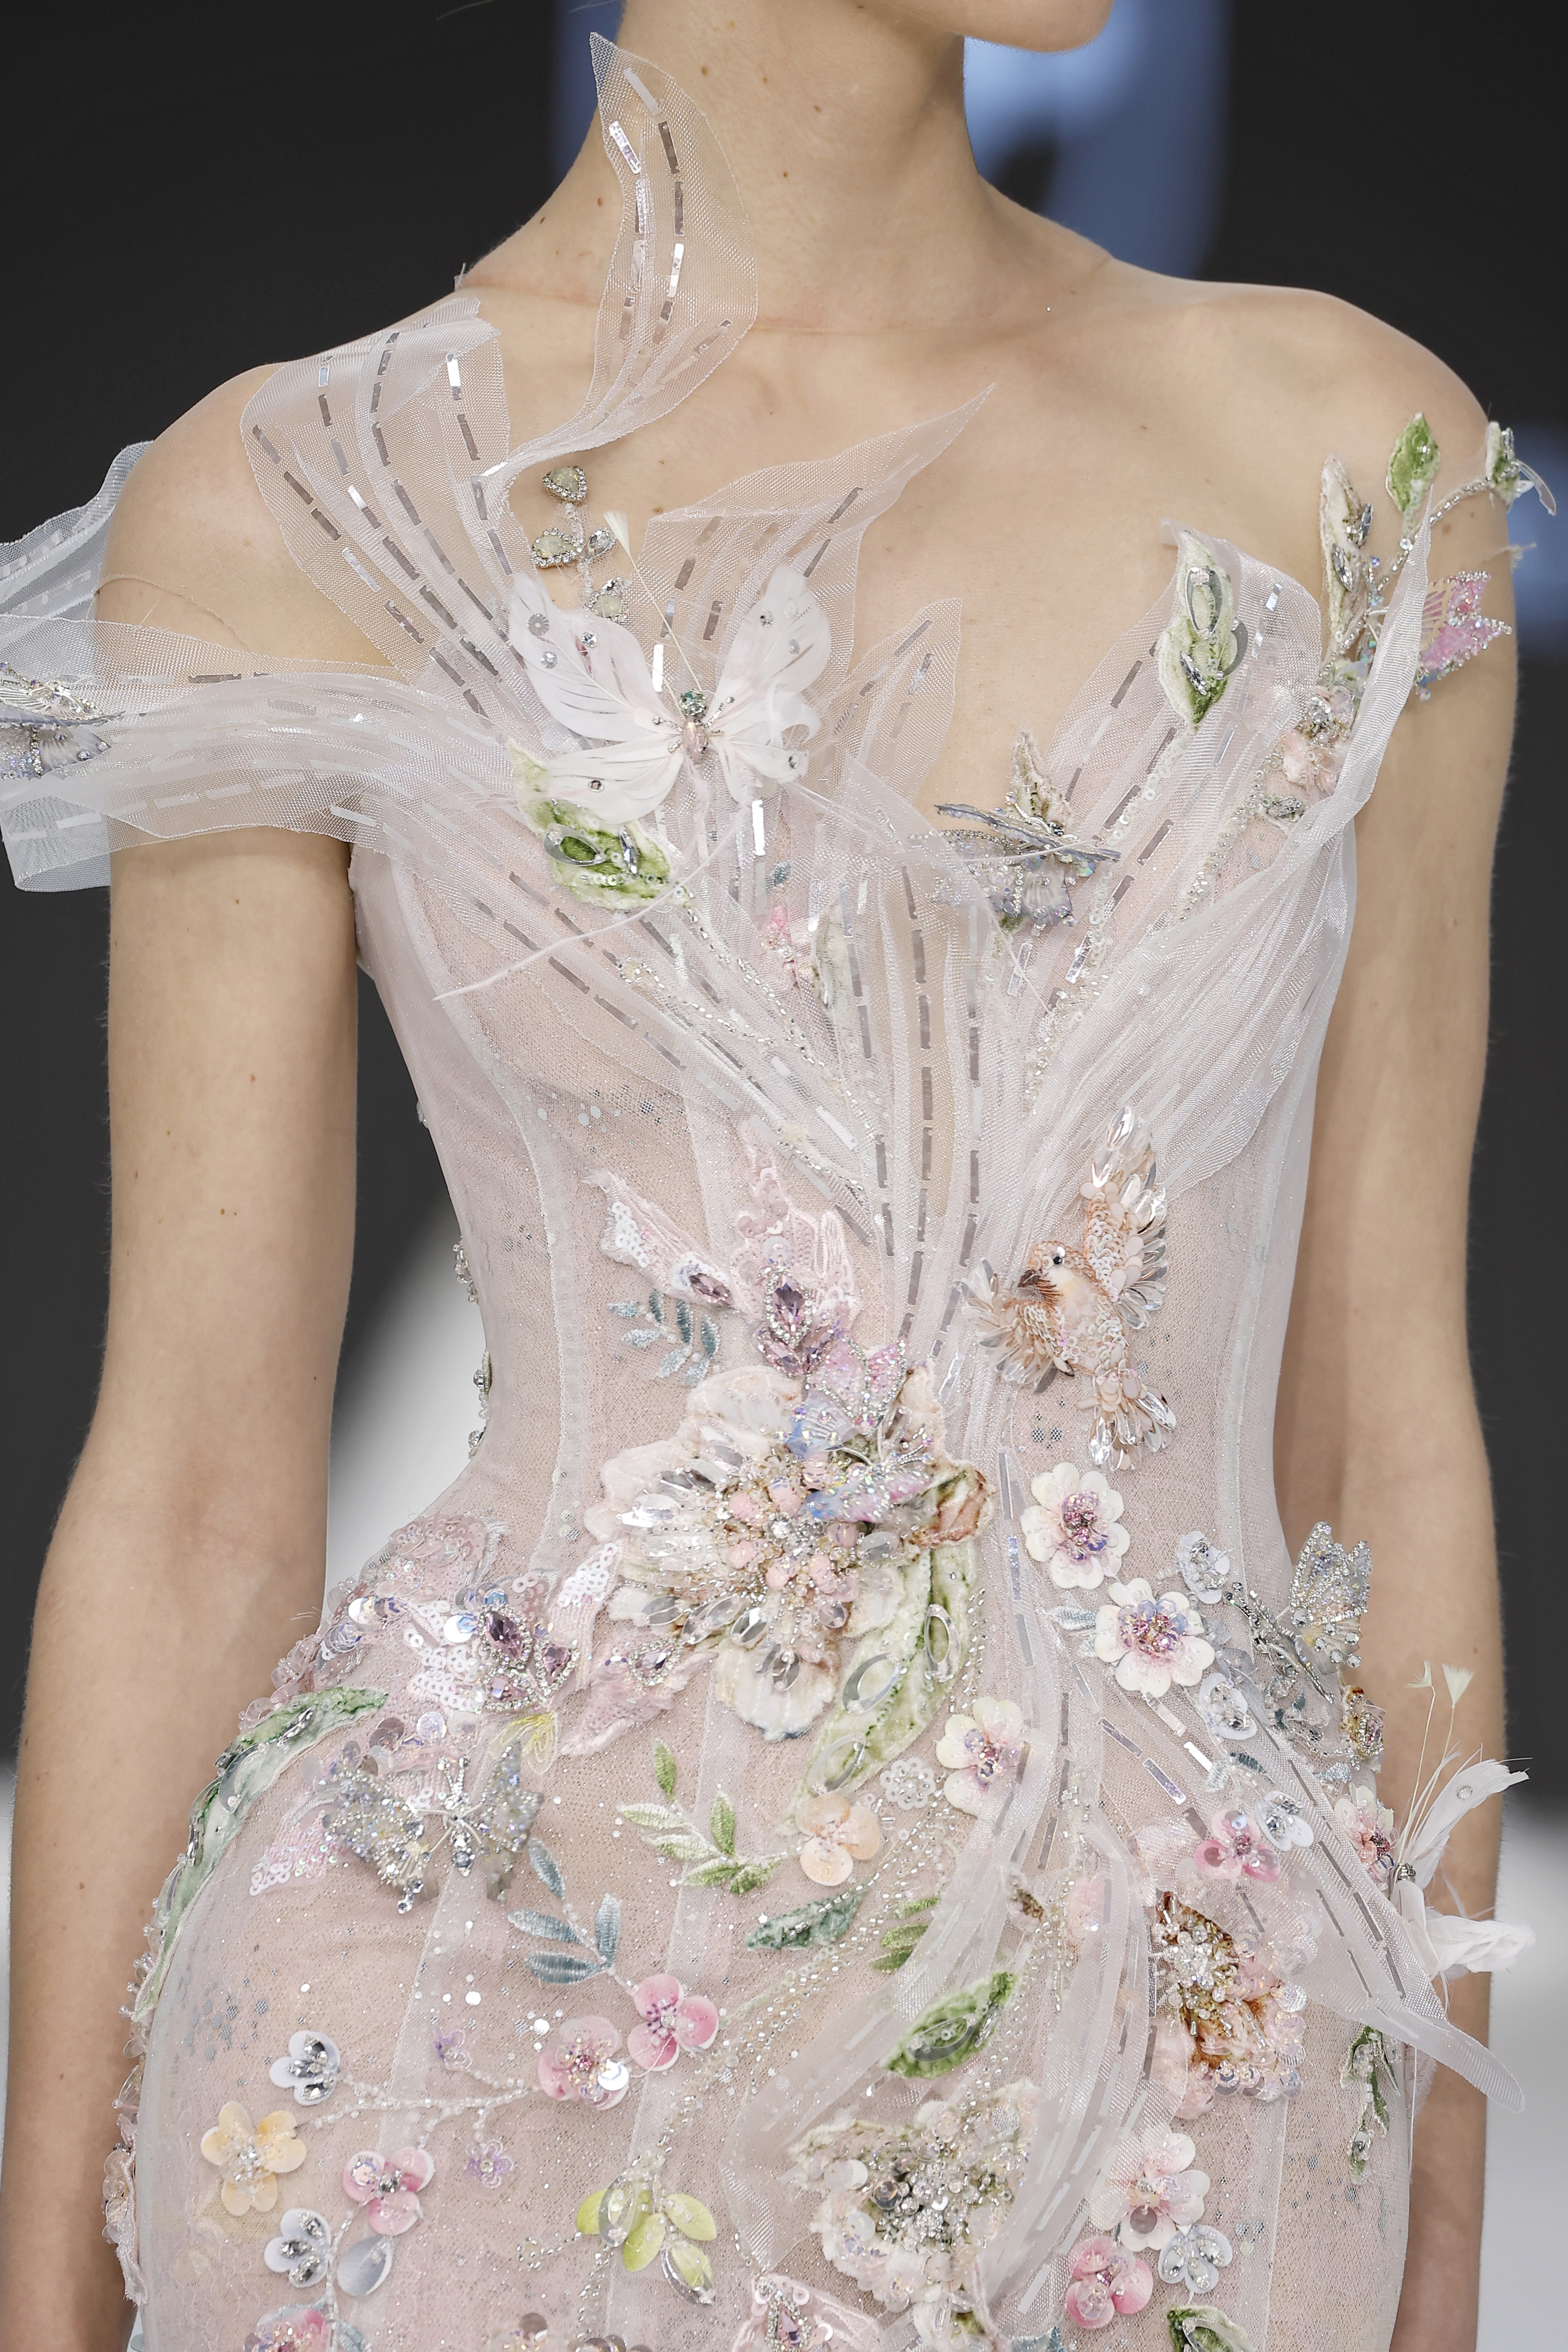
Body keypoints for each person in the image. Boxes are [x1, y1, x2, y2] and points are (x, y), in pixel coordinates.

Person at [0, 5, 1544, 2349]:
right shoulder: (308, 501)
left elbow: (1385, 1410)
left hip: (1181, 2094)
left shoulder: (1355, 457)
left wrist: (1431, 2202)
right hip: (452, 2048)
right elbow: (197, 1490)